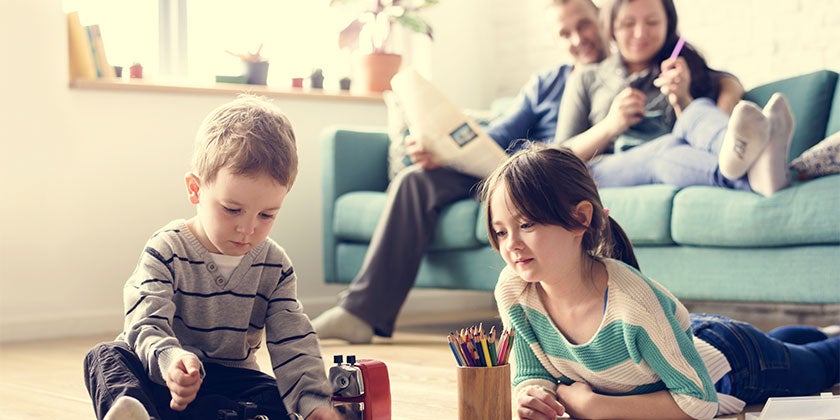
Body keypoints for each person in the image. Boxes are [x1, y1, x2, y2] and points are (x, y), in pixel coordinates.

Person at [311, 0, 745, 345]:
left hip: (547, 181)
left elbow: (711, 80)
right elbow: (494, 137)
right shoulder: (548, 83)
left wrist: (724, 93)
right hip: (503, 172)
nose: (578, 38)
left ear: (603, 20)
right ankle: (360, 312)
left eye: (584, 25)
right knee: (415, 181)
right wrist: (441, 150)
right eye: (565, 33)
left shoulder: (624, 76)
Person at [481, 144, 839, 420]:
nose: (511, 245)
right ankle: (814, 333)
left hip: (734, 362)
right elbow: (532, 371)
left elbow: (698, 401)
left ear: (580, 219)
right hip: (682, 341)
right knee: (785, 346)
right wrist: (533, 395)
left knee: (820, 365)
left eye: (526, 224)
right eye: (500, 231)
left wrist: (596, 407)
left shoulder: (634, 304)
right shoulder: (514, 291)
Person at [83, 96, 340, 420]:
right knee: (105, 356)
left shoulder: (275, 267)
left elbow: (294, 342)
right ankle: (135, 414)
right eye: (232, 209)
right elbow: (145, 323)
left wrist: (314, 404)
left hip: (232, 381)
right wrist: (172, 361)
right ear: (195, 189)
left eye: (267, 215)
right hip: (162, 377)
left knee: (275, 395)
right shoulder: (166, 250)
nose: (247, 229)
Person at [553, 0, 793, 197]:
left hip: (678, 155)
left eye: (652, 22)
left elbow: (726, 80)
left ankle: (747, 151)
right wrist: (610, 125)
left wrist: (682, 99)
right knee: (665, 148)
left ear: (668, 24)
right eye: (628, 24)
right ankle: (754, 174)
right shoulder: (587, 78)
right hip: (606, 168)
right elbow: (558, 157)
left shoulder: (680, 66)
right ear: (611, 27)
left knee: (696, 110)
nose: (640, 33)